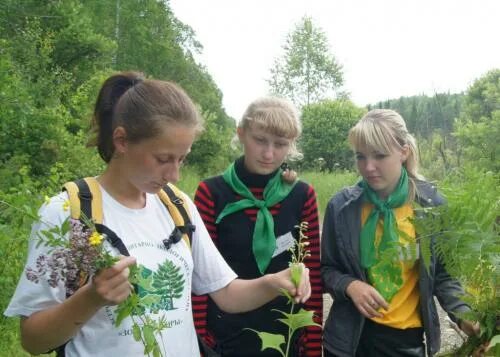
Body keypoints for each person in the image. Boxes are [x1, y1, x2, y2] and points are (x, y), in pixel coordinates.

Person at [4, 72, 311, 357]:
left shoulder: (176, 207)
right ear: (122, 140)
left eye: (182, 159)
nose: (175, 174)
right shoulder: (69, 213)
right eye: (164, 158)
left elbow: (227, 294)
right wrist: (92, 298)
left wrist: (273, 282)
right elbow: (33, 339)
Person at [320, 109, 478, 357]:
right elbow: (326, 269)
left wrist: (464, 315)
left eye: (380, 156)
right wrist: (350, 285)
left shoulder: (431, 206)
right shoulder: (342, 208)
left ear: (403, 152)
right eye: (361, 157)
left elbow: (444, 276)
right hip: (348, 342)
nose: (369, 167)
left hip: (405, 342)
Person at [192, 97, 323, 356]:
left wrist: (311, 345)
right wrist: (200, 338)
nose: (269, 154)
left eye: (280, 144)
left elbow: (313, 275)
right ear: (241, 134)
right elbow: (200, 276)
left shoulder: (301, 196)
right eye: (260, 140)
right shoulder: (212, 193)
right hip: (226, 335)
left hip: (285, 334)